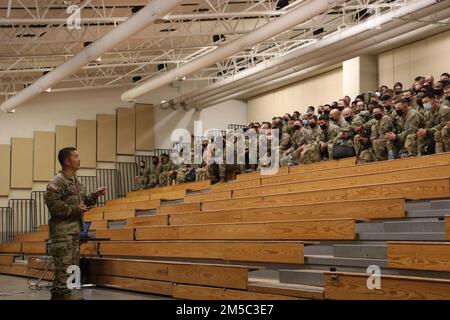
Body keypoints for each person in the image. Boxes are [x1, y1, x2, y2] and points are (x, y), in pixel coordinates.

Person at [44, 147, 106, 300]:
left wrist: (95, 195)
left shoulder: (76, 181)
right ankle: (64, 295)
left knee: (71, 265)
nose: (79, 159)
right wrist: (74, 209)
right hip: (62, 231)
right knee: (63, 266)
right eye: (76, 156)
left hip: (74, 230)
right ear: (67, 161)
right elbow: (53, 205)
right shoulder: (57, 181)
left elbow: (84, 202)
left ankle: (60, 295)